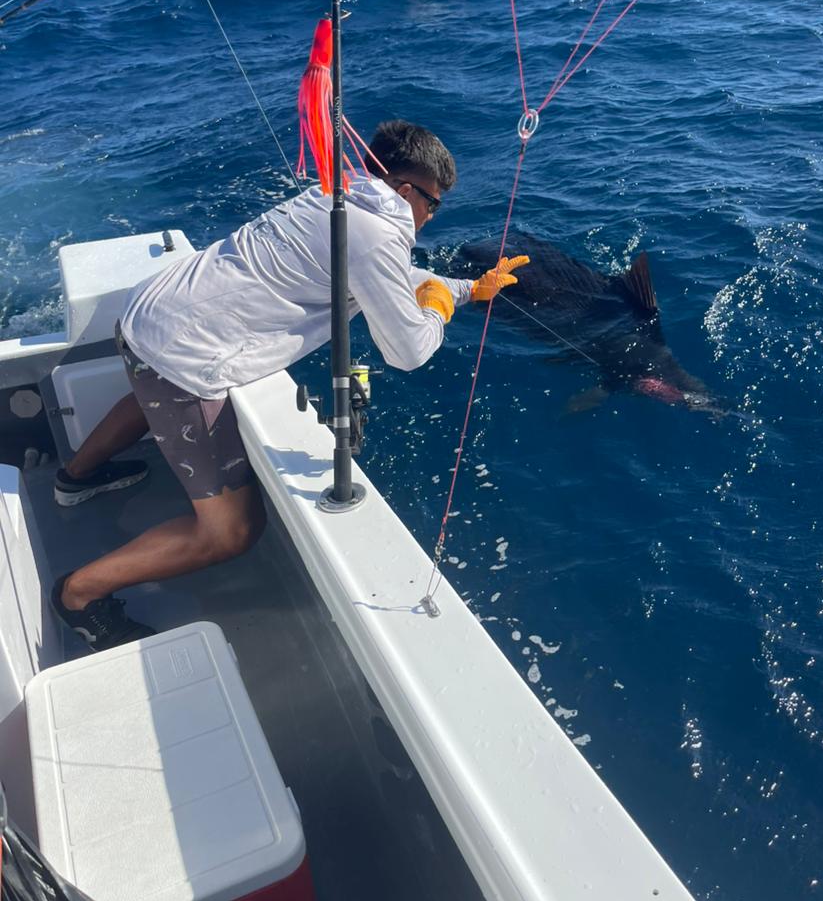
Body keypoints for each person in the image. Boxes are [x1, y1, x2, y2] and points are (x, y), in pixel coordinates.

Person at [51, 120, 528, 648]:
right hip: (180, 358)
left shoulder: (337, 194)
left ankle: (75, 478)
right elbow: (408, 351)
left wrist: (467, 290)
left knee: (147, 393)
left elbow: (382, 274)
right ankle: (77, 594)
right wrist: (439, 309)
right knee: (229, 531)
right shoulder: (376, 231)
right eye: (433, 204)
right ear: (404, 189)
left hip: (146, 317)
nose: (431, 216)